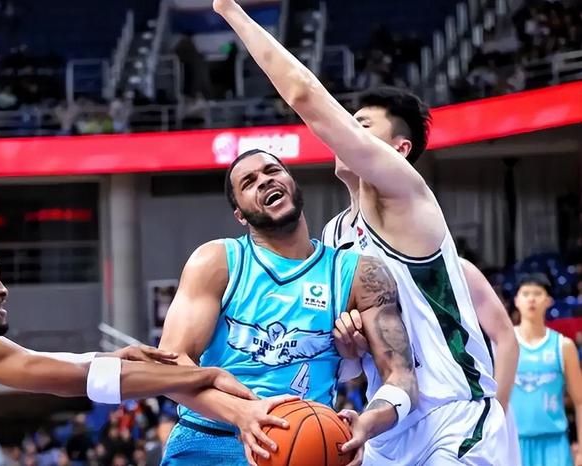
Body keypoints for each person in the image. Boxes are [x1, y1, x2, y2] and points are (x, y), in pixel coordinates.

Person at [212, 1, 514, 464]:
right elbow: (353, 364)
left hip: (455, 416)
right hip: (387, 424)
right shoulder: (334, 236)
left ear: (398, 149)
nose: (345, 132)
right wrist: (349, 345)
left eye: (361, 125)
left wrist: (231, 11)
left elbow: (304, 96)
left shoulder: (405, 197)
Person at [158, 149, 418, 466]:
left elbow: (401, 376)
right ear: (240, 214)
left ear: (292, 183)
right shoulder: (217, 261)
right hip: (210, 438)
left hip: (305, 444)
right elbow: (169, 367)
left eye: (272, 171)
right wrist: (242, 413)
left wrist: (367, 423)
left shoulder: (359, 274)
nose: (264, 180)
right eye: (249, 182)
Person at [0, 220, 255, 464]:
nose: (3, 290)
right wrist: (204, 374)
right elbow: (79, 378)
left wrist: (110, 357)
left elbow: (47, 362)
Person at [511, 273, 582, 466]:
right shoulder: (505, 345)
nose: (531, 299)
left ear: (549, 301)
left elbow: (580, 401)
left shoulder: (563, 346)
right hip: (514, 443)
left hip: (555, 445)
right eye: (525, 293)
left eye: (537, 293)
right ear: (516, 300)